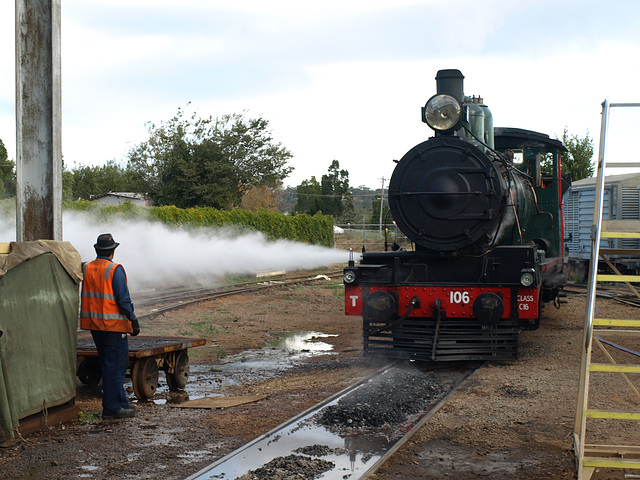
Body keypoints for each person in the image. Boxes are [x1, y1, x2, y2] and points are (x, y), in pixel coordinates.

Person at [80, 233, 140, 419]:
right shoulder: (115, 270)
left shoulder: (87, 267)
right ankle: (112, 408)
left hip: (95, 325)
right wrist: (133, 320)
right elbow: (123, 299)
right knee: (116, 366)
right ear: (113, 251)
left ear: (97, 250)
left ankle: (121, 402)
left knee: (109, 364)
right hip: (113, 326)